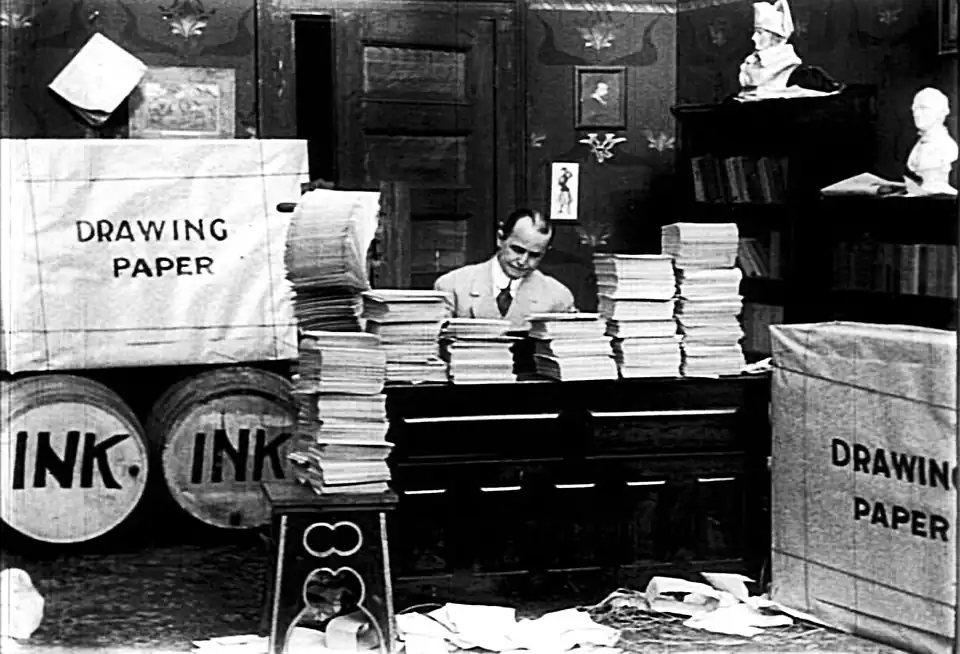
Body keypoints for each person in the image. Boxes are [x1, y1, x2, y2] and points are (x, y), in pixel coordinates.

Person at [433, 208, 576, 328]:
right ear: (500, 238)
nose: (523, 261)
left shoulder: (559, 297)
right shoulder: (451, 287)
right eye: (517, 250)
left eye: (534, 255)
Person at [738, 0, 802, 97]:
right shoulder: (751, 61)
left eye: (760, 32)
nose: (753, 37)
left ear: (775, 35)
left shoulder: (787, 60)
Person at [906, 87, 958, 196]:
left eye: (924, 108)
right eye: (915, 109)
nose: (917, 114)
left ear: (941, 112)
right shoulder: (919, 144)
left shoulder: (946, 146)